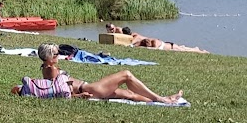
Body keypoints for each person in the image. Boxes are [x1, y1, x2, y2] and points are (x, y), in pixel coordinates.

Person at [12, 42, 183, 103]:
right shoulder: (51, 70)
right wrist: (79, 96)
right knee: (126, 74)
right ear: (49, 58)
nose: (59, 56)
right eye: (56, 54)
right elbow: (60, 91)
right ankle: (162, 99)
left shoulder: (47, 69)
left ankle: (164, 100)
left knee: (128, 94)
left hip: (88, 89)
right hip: (90, 89)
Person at [133, 36, 209, 53]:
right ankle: (196, 49)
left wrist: (148, 48)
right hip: (170, 47)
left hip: (172, 46)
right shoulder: (148, 43)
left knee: (185, 50)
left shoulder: (154, 42)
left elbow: (155, 49)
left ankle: (201, 51)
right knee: (184, 49)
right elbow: (137, 45)